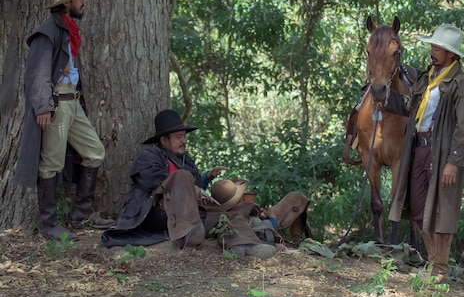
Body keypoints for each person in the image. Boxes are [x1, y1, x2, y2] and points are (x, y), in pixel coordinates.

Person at [103, 109, 311, 258]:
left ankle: (245, 245)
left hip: (193, 213)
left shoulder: (186, 160)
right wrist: (182, 182)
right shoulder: (150, 155)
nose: (183, 140)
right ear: (164, 140)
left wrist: (206, 179)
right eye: (178, 137)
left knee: (229, 216)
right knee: (182, 176)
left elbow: (196, 187)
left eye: (184, 136)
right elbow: (147, 180)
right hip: (158, 213)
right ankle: (189, 231)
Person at [15, 0, 114, 241]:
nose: (85, 1)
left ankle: (81, 214)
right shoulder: (47, 32)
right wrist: (43, 107)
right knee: (50, 164)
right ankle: (48, 224)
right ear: (67, 2)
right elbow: (36, 74)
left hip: (73, 103)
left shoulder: (68, 29)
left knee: (94, 152)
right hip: (56, 105)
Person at [385, 24, 464, 283]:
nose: (432, 51)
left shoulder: (461, 84)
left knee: (442, 211)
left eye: (438, 48)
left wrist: (454, 162)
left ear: (451, 54)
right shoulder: (426, 79)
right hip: (418, 149)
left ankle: (440, 268)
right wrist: (384, 97)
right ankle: (433, 262)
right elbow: (411, 108)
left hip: (443, 154)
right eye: (433, 46)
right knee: (417, 207)